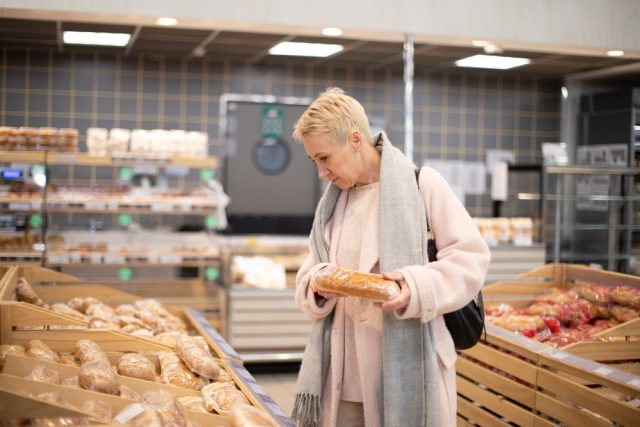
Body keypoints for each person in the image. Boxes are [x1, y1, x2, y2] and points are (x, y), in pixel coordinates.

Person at [290, 87, 490, 427]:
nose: (321, 173)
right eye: (314, 161)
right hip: (341, 378)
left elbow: (470, 258)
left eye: (324, 158)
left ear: (356, 139)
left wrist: (414, 287)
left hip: (408, 371)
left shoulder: (422, 184)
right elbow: (312, 267)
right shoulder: (335, 202)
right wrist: (318, 286)